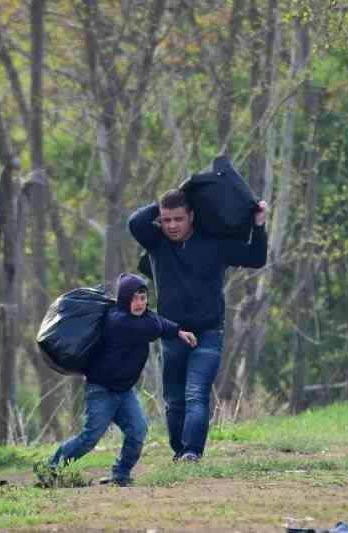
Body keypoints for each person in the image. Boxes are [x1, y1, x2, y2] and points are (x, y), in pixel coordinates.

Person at [128, 189, 268, 463]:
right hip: (172, 333)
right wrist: (183, 189)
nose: (172, 226)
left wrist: (260, 224)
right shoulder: (157, 243)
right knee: (174, 400)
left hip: (208, 333)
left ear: (192, 216)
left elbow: (256, 258)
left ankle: (192, 452)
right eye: (166, 220)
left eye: (178, 219)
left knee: (196, 393)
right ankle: (179, 450)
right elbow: (135, 222)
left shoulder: (213, 243)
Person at [45, 273, 198, 486]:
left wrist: (178, 331)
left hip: (124, 391)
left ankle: (121, 474)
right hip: (101, 390)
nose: (139, 303)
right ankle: (49, 469)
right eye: (133, 298)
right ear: (124, 299)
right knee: (90, 437)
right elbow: (154, 326)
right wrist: (172, 328)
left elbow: (156, 320)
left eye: (143, 298)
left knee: (138, 431)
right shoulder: (119, 322)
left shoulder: (139, 318)